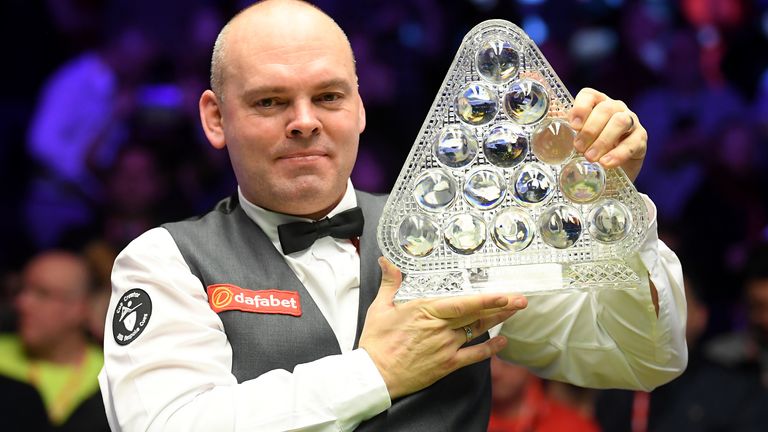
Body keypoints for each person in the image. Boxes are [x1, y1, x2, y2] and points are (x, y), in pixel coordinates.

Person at [99, 1, 686, 430]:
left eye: (327, 97)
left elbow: (640, 358)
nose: (304, 120)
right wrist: (374, 372)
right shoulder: (166, 260)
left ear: (358, 108)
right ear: (215, 118)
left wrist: (614, 206)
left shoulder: (461, 232)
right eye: (270, 101)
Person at [0, 251, 109, 431]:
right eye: (22, 290)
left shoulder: (107, 377)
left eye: (42, 294)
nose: (22, 303)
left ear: (79, 308)